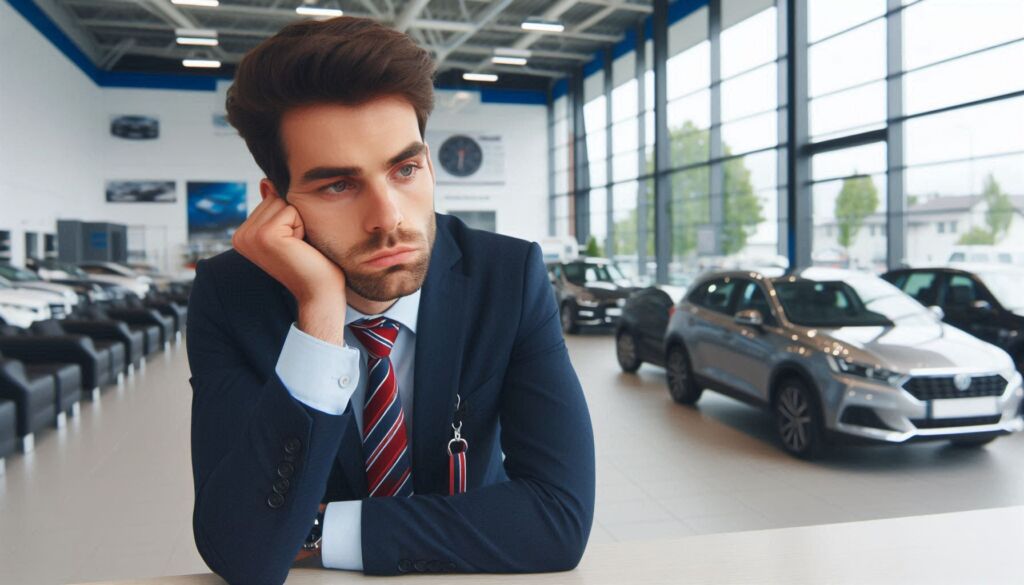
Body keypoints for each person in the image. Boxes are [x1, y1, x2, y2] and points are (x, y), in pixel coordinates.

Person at [185, 15, 595, 584]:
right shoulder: (230, 296)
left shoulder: (508, 276)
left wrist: (318, 530)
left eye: (405, 169)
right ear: (277, 202)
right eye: (338, 185)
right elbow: (243, 552)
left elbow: (556, 522)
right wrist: (320, 314)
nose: (388, 219)